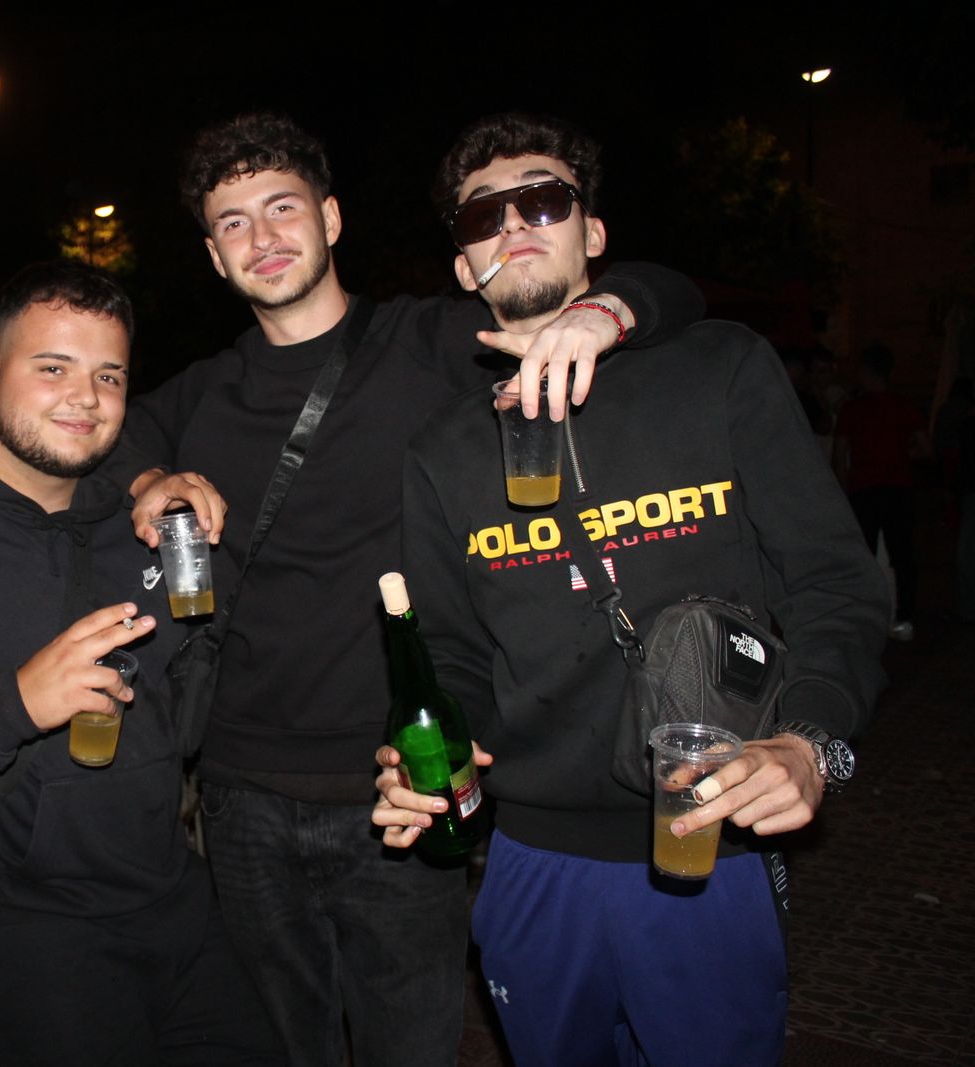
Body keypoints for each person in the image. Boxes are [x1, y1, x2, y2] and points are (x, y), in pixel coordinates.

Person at [118, 112, 705, 1066]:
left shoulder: (430, 341)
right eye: (233, 222)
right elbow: (107, 438)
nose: (262, 237)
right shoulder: (195, 396)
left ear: (332, 218)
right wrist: (150, 479)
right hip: (240, 792)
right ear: (214, 256)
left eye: (282, 208)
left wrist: (607, 311)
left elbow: (665, 297)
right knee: (278, 1045)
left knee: (411, 1045)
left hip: (402, 785)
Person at [374, 112, 889, 1067]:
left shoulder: (717, 368)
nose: (514, 222)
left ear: (592, 232)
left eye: (544, 198)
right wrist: (438, 760)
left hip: (705, 851)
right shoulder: (441, 450)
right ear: (462, 266)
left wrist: (811, 743)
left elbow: (835, 585)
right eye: (483, 215)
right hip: (533, 867)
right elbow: (449, 652)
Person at [0, 262, 283, 1067]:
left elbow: (205, 682)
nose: (86, 397)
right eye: (53, 368)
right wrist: (17, 703)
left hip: (174, 904)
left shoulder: (140, 525)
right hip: (16, 941)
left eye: (109, 375)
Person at [833, 342, 931, 639]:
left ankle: (864, 618)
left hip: (864, 489)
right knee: (903, 556)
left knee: (864, 556)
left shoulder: (853, 409)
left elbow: (839, 455)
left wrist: (841, 489)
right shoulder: (903, 406)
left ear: (865, 371)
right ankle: (903, 618)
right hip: (897, 487)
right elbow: (927, 449)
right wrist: (902, 453)